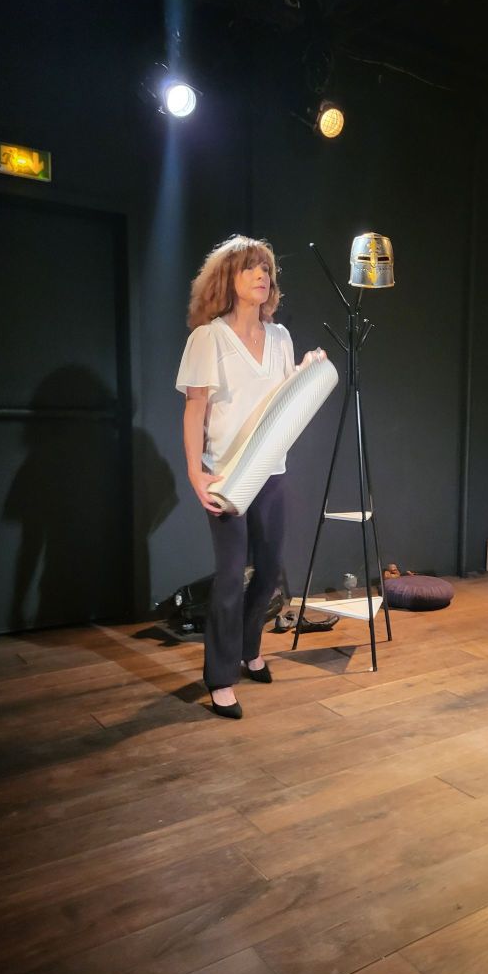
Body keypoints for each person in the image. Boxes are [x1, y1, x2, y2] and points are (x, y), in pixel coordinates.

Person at [176, 235, 323, 719]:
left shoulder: (279, 337)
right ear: (229, 279)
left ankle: (248, 648)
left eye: (266, 269)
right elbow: (195, 408)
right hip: (226, 474)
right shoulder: (209, 338)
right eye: (251, 268)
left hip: (271, 470)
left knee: (271, 569)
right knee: (229, 576)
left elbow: (283, 399)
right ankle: (221, 678)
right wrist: (196, 472)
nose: (262, 275)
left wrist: (307, 372)